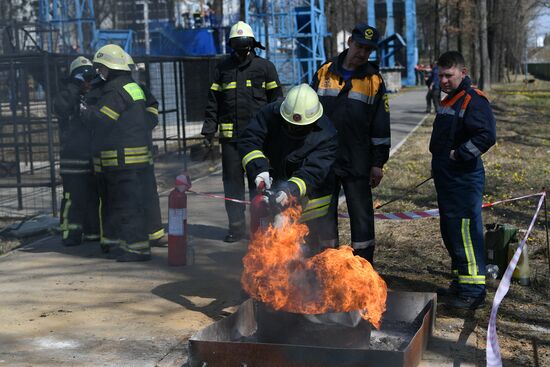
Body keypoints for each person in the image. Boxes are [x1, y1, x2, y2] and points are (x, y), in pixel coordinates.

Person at [311, 23, 391, 264]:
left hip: (358, 160)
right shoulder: (324, 72)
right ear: (349, 43)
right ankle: (327, 267)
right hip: (323, 160)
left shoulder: (374, 80)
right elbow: (307, 113)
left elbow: (380, 126)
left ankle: (363, 268)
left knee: (362, 218)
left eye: (368, 49)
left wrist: (378, 163)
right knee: (323, 216)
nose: (363, 53)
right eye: (359, 46)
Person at [201, 20, 282, 243]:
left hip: (259, 141)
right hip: (231, 141)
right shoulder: (222, 69)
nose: (241, 51)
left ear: (252, 45)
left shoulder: (265, 68)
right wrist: (209, 130)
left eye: (244, 46)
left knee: (260, 184)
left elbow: (277, 102)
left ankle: (261, 229)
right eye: (236, 47)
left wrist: (278, 132)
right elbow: (213, 102)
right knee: (232, 185)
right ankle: (236, 228)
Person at [430, 51, 496, 309]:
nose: (443, 80)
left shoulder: (473, 100)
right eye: (440, 75)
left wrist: (459, 155)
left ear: (463, 72)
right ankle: (460, 282)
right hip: (447, 179)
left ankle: (473, 292)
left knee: (465, 233)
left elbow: (486, 135)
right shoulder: (450, 100)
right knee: (451, 232)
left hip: (464, 179)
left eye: (449, 75)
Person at [239, 84, 337, 255]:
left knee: (310, 245)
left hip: (312, 196)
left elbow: (314, 172)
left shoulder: (327, 134)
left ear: (313, 122)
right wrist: (259, 169)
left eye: (300, 128)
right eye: (289, 125)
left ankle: (309, 270)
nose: (294, 130)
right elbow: (249, 140)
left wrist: (290, 190)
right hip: (275, 185)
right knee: (270, 239)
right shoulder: (270, 114)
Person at [82, 44, 151, 262]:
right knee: (131, 203)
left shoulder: (115, 91)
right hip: (135, 158)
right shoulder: (132, 86)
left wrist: (86, 112)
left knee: (127, 206)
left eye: (101, 68)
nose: (99, 73)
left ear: (110, 68)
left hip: (122, 159)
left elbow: (103, 121)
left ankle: (137, 250)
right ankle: (126, 245)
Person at [53, 56, 99, 246]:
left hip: (93, 157)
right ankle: (70, 234)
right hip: (73, 159)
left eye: (89, 77)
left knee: (93, 196)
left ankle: (93, 233)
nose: (87, 81)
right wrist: (75, 85)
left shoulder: (96, 94)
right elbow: (60, 108)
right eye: (83, 77)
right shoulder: (66, 94)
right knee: (73, 198)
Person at [124, 52, 165, 247]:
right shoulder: (137, 89)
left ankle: (149, 234)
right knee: (147, 193)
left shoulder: (135, 90)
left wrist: (144, 123)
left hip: (130, 153)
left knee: (142, 194)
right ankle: (153, 233)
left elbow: (152, 108)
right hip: (140, 150)